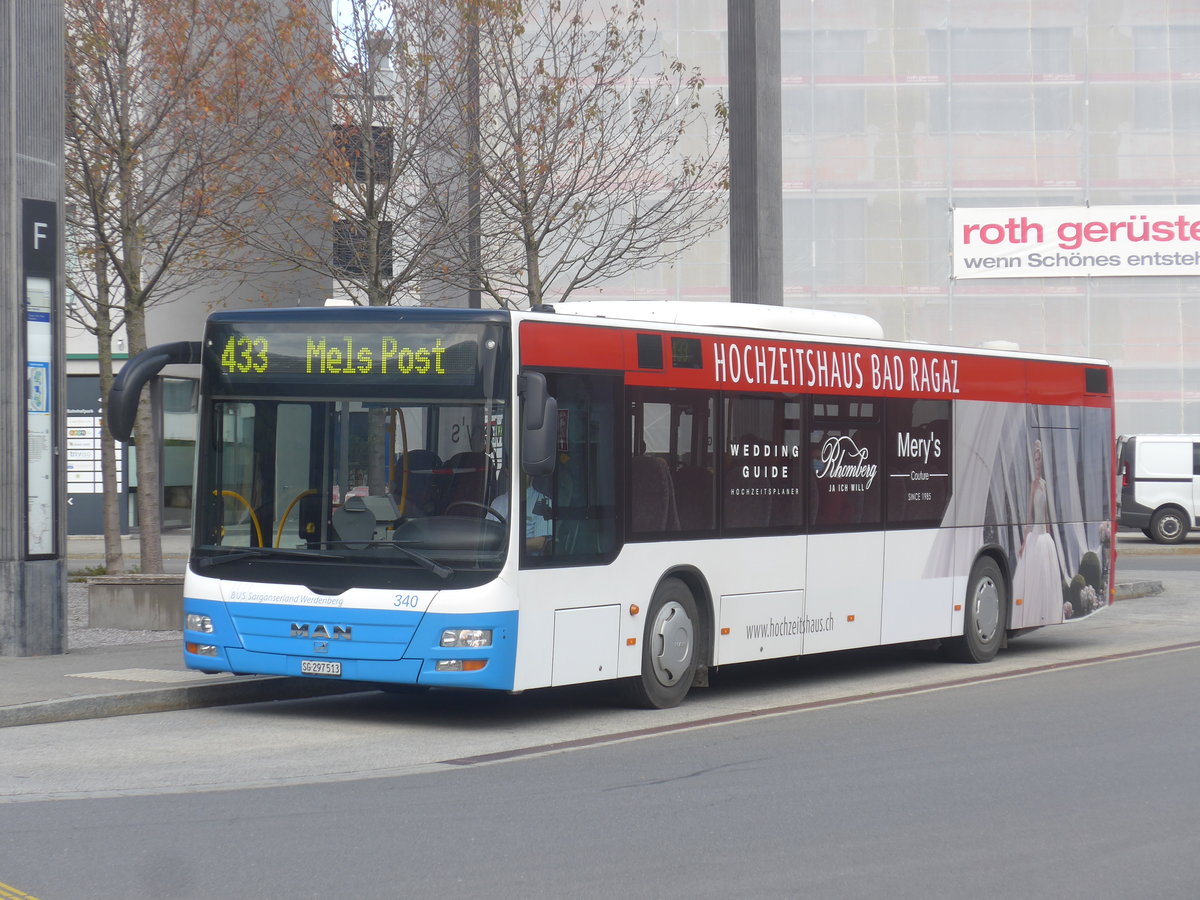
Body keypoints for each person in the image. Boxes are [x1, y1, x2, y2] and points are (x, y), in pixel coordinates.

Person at [1013, 439, 1063, 625]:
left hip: (1044, 537)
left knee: (1046, 575)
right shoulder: (1034, 485)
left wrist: (1049, 534)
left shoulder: (1044, 483)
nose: (1037, 462)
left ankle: (1046, 611)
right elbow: (1029, 515)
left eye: (1039, 458)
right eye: (1035, 458)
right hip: (1035, 535)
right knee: (1034, 575)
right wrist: (1025, 540)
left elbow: (1047, 514)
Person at [493, 475, 553, 554]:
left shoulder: (544, 502)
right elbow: (486, 534)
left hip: (528, 563)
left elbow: (539, 543)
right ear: (507, 472)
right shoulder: (498, 501)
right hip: (495, 559)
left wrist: (505, 543)